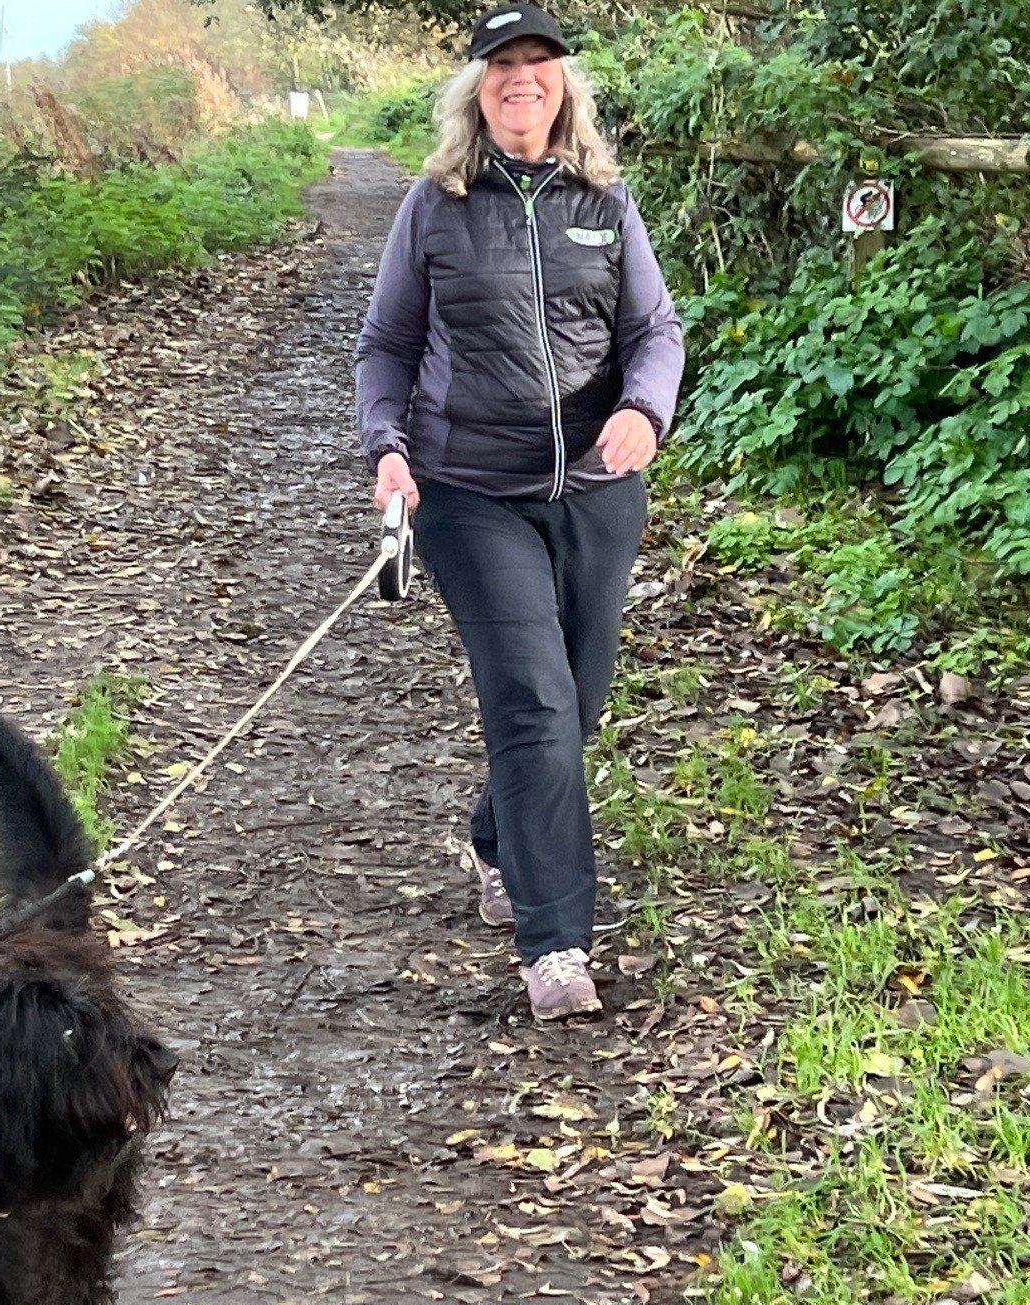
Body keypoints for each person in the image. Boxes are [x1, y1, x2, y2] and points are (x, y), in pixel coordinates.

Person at [354, 2, 684, 1020]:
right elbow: (385, 346)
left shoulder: (605, 200)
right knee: (535, 706)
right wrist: (389, 446)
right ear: (476, 89)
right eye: (503, 66)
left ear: (564, 86)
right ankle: (556, 946)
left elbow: (656, 331)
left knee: (574, 706)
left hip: (595, 493)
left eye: (540, 64)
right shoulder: (437, 204)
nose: (522, 81)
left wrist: (644, 409)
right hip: (471, 493)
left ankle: (497, 838)